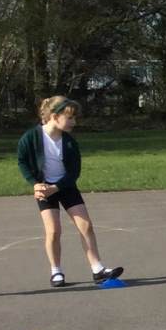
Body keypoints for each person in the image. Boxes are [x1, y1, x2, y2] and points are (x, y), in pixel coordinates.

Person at [15, 96, 121, 287]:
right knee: (53, 231)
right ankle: (56, 271)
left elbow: (74, 172)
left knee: (86, 226)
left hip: (65, 186)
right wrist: (35, 184)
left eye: (74, 118)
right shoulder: (31, 137)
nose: (74, 122)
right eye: (70, 118)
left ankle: (97, 269)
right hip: (44, 189)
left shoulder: (70, 142)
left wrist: (57, 187)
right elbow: (22, 161)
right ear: (55, 116)